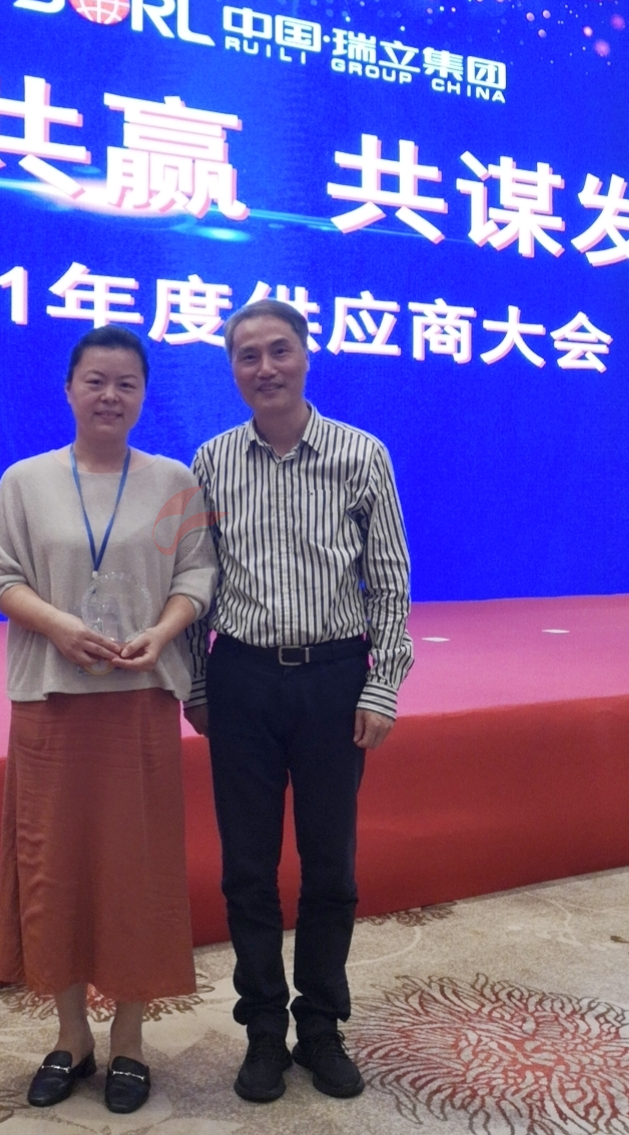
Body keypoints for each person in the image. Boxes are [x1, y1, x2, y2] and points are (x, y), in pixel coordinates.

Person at [0, 325, 217, 1115]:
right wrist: (57, 625)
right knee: (56, 868)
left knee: (134, 871)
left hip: (138, 699)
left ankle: (130, 1040)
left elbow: (197, 576)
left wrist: (164, 630)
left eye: (126, 383)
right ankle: (70, 1036)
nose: (110, 396)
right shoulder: (24, 480)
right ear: (69, 389)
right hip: (50, 700)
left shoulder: (173, 481)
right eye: (95, 381)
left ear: (142, 395)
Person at [184, 299, 413, 1105]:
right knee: (246, 871)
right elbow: (194, 584)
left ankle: (319, 1026)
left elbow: (389, 584)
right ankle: (262, 1031)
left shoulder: (360, 454)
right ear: (232, 369)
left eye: (278, 350)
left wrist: (381, 684)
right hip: (241, 681)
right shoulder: (210, 461)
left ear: (307, 354)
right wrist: (198, 684)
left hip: (332, 681)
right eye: (247, 355)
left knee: (330, 867)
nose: (265, 368)